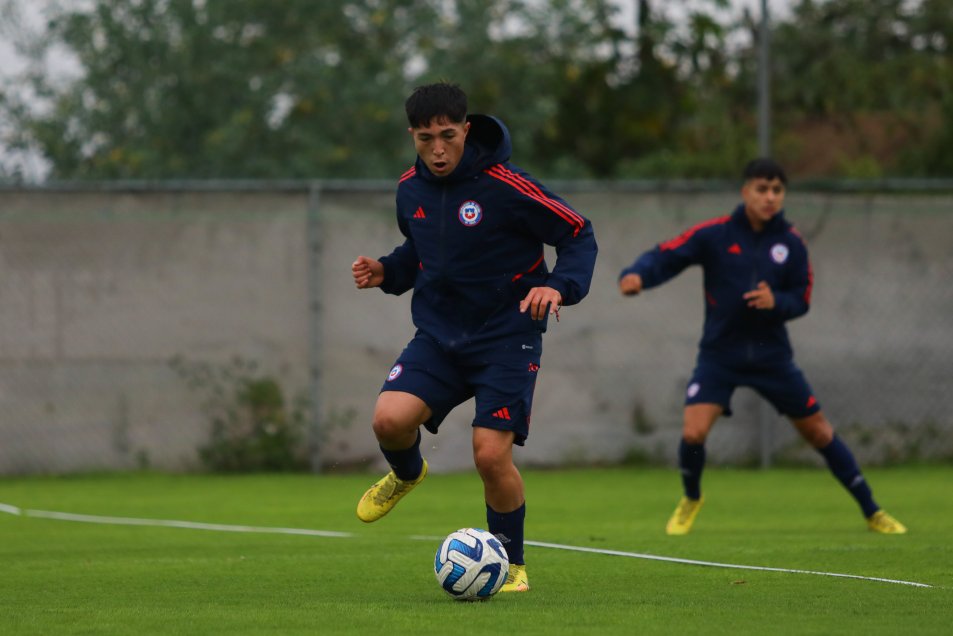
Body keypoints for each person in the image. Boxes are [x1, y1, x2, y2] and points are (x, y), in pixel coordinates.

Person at [352, 82, 598, 592]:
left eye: (448, 136)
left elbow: (578, 232)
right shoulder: (409, 189)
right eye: (425, 139)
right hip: (440, 337)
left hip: (507, 337)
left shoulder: (507, 185)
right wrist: (387, 271)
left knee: (489, 454)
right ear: (412, 136)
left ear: (466, 129)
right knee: (388, 421)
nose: (438, 150)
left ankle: (512, 565)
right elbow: (420, 252)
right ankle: (407, 473)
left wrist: (557, 287)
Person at [618, 158, 906, 536]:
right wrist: (637, 274)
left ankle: (872, 511)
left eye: (777, 190)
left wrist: (777, 302)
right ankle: (691, 498)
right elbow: (667, 253)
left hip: (772, 357)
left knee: (820, 434)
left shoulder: (791, 243)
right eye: (762, 189)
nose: (770, 197)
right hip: (720, 355)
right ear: (746, 192)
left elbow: (801, 298)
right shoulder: (715, 234)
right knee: (693, 434)